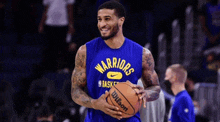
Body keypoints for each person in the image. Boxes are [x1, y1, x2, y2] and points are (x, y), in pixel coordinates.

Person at [71, 1, 161, 122]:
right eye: (99, 19)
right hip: (97, 119)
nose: (102, 24)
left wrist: (146, 94)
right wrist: (94, 103)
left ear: (121, 20)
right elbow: (75, 90)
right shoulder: (85, 51)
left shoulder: (142, 54)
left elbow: (155, 88)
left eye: (107, 19)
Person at [38, 0, 75, 72]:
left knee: (62, 47)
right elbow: (46, 8)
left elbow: (70, 8)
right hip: (49, 23)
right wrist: (41, 23)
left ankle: (63, 67)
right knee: (50, 47)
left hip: (63, 24)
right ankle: (50, 68)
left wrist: (71, 24)